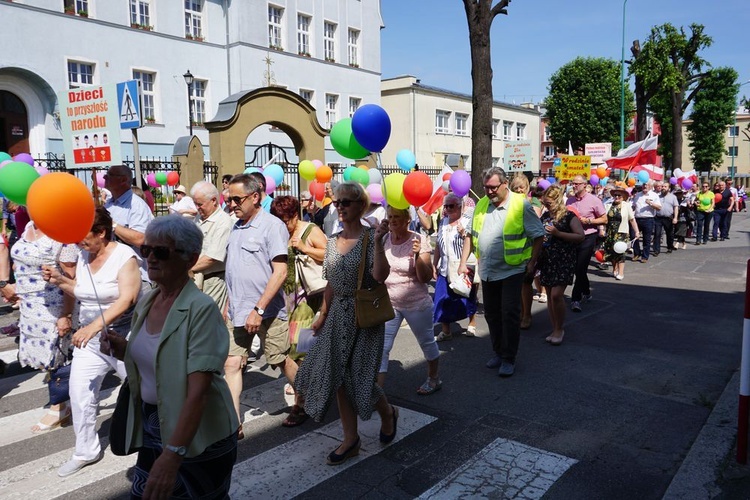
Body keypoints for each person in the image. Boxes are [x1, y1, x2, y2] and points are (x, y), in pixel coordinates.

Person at [103, 215, 238, 499]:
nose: (150, 257)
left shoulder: (200, 309)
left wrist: (173, 454)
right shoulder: (149, 300)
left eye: (161, 251)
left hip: (198, 434)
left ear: (190, 259)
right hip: (156, 424)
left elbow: (198, 392)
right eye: (146, 250)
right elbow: (162, 360)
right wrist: (125, 350)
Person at [294, 182, 398, 465]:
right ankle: (350, 439)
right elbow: (330, 282)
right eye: (337, 202)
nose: (339, 207)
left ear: (360, 205)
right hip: (338, 314)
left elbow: (379, 276)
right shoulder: (331, 241)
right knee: (339, 378)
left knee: (360, 380)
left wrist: (378, 243)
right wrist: (322, 314)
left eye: (346, 202)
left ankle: (387, 413)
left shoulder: (370, 236)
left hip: (364, 315)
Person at [44, 207, 142, 477]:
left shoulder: (125, 256)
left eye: (84, 236)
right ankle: (85, 451)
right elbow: (82, 291)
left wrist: (92, 327)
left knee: (143, 391)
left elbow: (127, 299)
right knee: (80, 392)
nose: (78, 242)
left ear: (101, 232)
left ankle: (157, 445)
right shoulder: (85, 255)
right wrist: (60, 280)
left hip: (124, 337)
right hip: (91, 339)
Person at [225, 174, 305, 431]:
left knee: (280, 359)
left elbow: (280, 272)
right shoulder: (235, 226)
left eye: (237, 199)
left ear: (255, 197)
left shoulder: (272, 226)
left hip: (266, 311)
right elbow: (234, 269)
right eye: (229, 199)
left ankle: (302, 400)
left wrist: (258, 309)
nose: (232, 204)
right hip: (237, 308)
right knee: (232, 362)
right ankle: (232, 421)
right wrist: (229, 303)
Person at [458, 167, 544, 377]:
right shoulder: (481, 204)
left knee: (509, 314)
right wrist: (462, 263)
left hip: (512, 270)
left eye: (493, 187)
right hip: (487, 270)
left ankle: (508, 357)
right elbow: (470, 234)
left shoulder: (520, 204)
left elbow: (539, 234)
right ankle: (497, 351)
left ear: (505, 184)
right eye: (486, 187)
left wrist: (532, 262)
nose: (489, 191)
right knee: (492, 314)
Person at [0, 221, 78, 431]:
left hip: (53, 306)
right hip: (30, 306)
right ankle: (65, 401)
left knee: (58, 356)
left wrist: (66, 314)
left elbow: (71, 277)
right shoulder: (30, 226)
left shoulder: (63, 231)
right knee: (46, 358)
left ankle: (59, 407)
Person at [380, 206, 441, 395]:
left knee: (427, 342)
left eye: (397, 216)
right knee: (382, 347)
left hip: (416, 303)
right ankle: (377, 393)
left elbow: (425, 277)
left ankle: (434, 378)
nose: (392, 220)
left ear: (407, 219)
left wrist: (416, 256)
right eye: (390, 216)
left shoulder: (418, 239)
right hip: (390, 302)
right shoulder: (384, 239)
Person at [270, 195, 327, 396]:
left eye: (286, 221)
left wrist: (304, 248)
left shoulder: (310, 230)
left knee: (299, 343)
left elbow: (329, 254)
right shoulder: (279, 232)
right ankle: (307, 380)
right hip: (287, 297)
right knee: (295, 343)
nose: (284, 226)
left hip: (308, 299)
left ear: (295, 215)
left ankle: (305, 387)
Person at [537, 185, 584, 345]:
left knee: (557, 294)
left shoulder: (569, 216)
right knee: (550, 296)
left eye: (549, 203)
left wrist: (558, 234)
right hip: (548, 258)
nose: (546, 206)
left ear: (557, 201)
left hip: (564, 259)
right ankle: (555, 328)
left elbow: (580, 236)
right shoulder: (545, 216)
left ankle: (560, 328)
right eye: (545, 203)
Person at [432, 193, 478, 341]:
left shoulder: (466, 221)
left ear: (460, 206)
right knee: (441, 299)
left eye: (451, 206)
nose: (448, 209)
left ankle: (472, 322)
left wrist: (463, 233)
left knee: (466, 296)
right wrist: (434, 264)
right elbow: (439, 244)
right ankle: (446, 331)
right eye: (446, 206)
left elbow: (472, 243)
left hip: (461, 267)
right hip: (445, 268)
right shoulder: (443, 222)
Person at [103, 164, 154, 282]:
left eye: (109, 175)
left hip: (135, 277)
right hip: (113, 276)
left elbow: (140, 239)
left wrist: (112, 225)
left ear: (123, 180)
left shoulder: (136, 205)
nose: (105, 177)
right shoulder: (108, 204)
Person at [565, 175, 607, 312]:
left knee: (580, 267)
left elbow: (604, 219)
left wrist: (589, 221)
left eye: (577, 183)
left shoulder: (594, 200)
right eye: (573, 183)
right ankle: (586, 291)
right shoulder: (569, 201)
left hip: (588, 236)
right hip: (573, 237)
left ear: (584, 185)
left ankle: (575, 299)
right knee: (577, 268)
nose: (574, 186)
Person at [189, 180, 233, 303]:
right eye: (195, 203)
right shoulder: (198, 218)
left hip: (212, 280)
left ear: (214, 200)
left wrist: (186, 268)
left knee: (208, 318)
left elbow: (212, 257)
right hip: (195, 278)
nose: (197, 208)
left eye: (200, 204)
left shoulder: (223, 222)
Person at [602, 188, 639, 281]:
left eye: (619, 195)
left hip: (622, 232)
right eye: (615, 195)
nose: (617, 197)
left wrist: (637, 231)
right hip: (610, 232)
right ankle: (615, 268)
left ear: (623, 197)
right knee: (612, 252)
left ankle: (621, 272)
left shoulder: (626, 206)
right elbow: (603, 219)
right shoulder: (608, 205)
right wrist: (602, 229)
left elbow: (632, 219)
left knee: (620, 252)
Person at [631, 180, 661, 263]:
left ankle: (645, 256)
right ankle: (636, 253)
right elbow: (634, 206)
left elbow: (659, 207)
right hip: (637, 219)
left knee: (646, 239)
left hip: (648, 219)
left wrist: (650, 203)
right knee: (634, 236)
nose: (645, 186)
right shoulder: (638, 195)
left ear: (651, 186)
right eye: (644, 185)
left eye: (647, 185)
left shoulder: (654, 195)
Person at [653, 181, 679, 255]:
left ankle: (669, 247)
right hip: (658, 218)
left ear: (669, 188)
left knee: (669, 234)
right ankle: (656, 250)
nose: (663, 188)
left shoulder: (673, 197)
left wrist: (675, 218)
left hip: (668, 218)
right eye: (662, 186)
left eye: (665, 186)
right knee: (657, 234)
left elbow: (676, 207)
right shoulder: (657, 196)